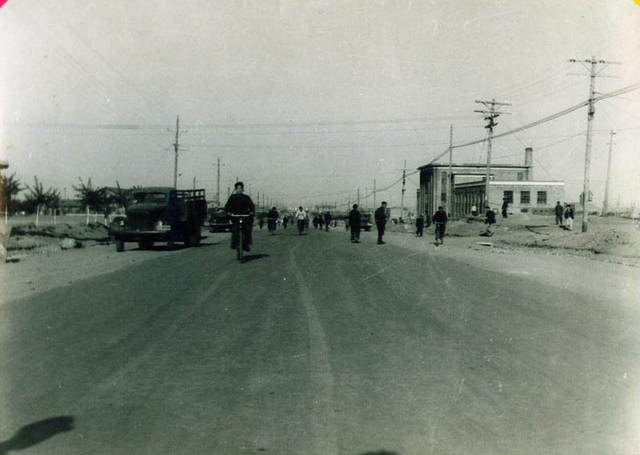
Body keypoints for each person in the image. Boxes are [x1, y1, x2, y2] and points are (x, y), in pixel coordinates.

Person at [224, 181, 255, 252]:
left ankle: (246, 244)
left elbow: (252, 206)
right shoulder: (232, 197)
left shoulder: (246, 197)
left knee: (248, 229)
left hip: (245, 216)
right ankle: (234, 244)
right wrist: (228, 212)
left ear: (243, 189)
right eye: (238, 188)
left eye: (241, 188)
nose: (239, 189)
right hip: (235, 216)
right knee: (235, 230)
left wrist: (251, 212)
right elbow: (227, 206)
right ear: (235, 189)